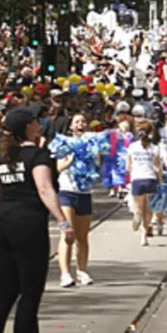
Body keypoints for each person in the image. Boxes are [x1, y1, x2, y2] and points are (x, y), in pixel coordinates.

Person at [0, 105, 75, 333]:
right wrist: (63, 221)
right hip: (28, 225)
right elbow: (44, 189)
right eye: (34, 121)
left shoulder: (2, 157)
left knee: (7, 287)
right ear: (28, 127)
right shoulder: (37, 155)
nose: (38, 123)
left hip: (3, 224)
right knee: (30, 290)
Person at [55, 113, 94, 288]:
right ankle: (65, 273)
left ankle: (81, 270)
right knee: (67, 234)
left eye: (83, 121)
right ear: (71, 126)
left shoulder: (91, 144)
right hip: (67, 191)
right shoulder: (64, 144)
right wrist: (69, 162)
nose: (81, 124)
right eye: (77, 122)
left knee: (83, 236)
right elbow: (58, 167)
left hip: (85, 192)